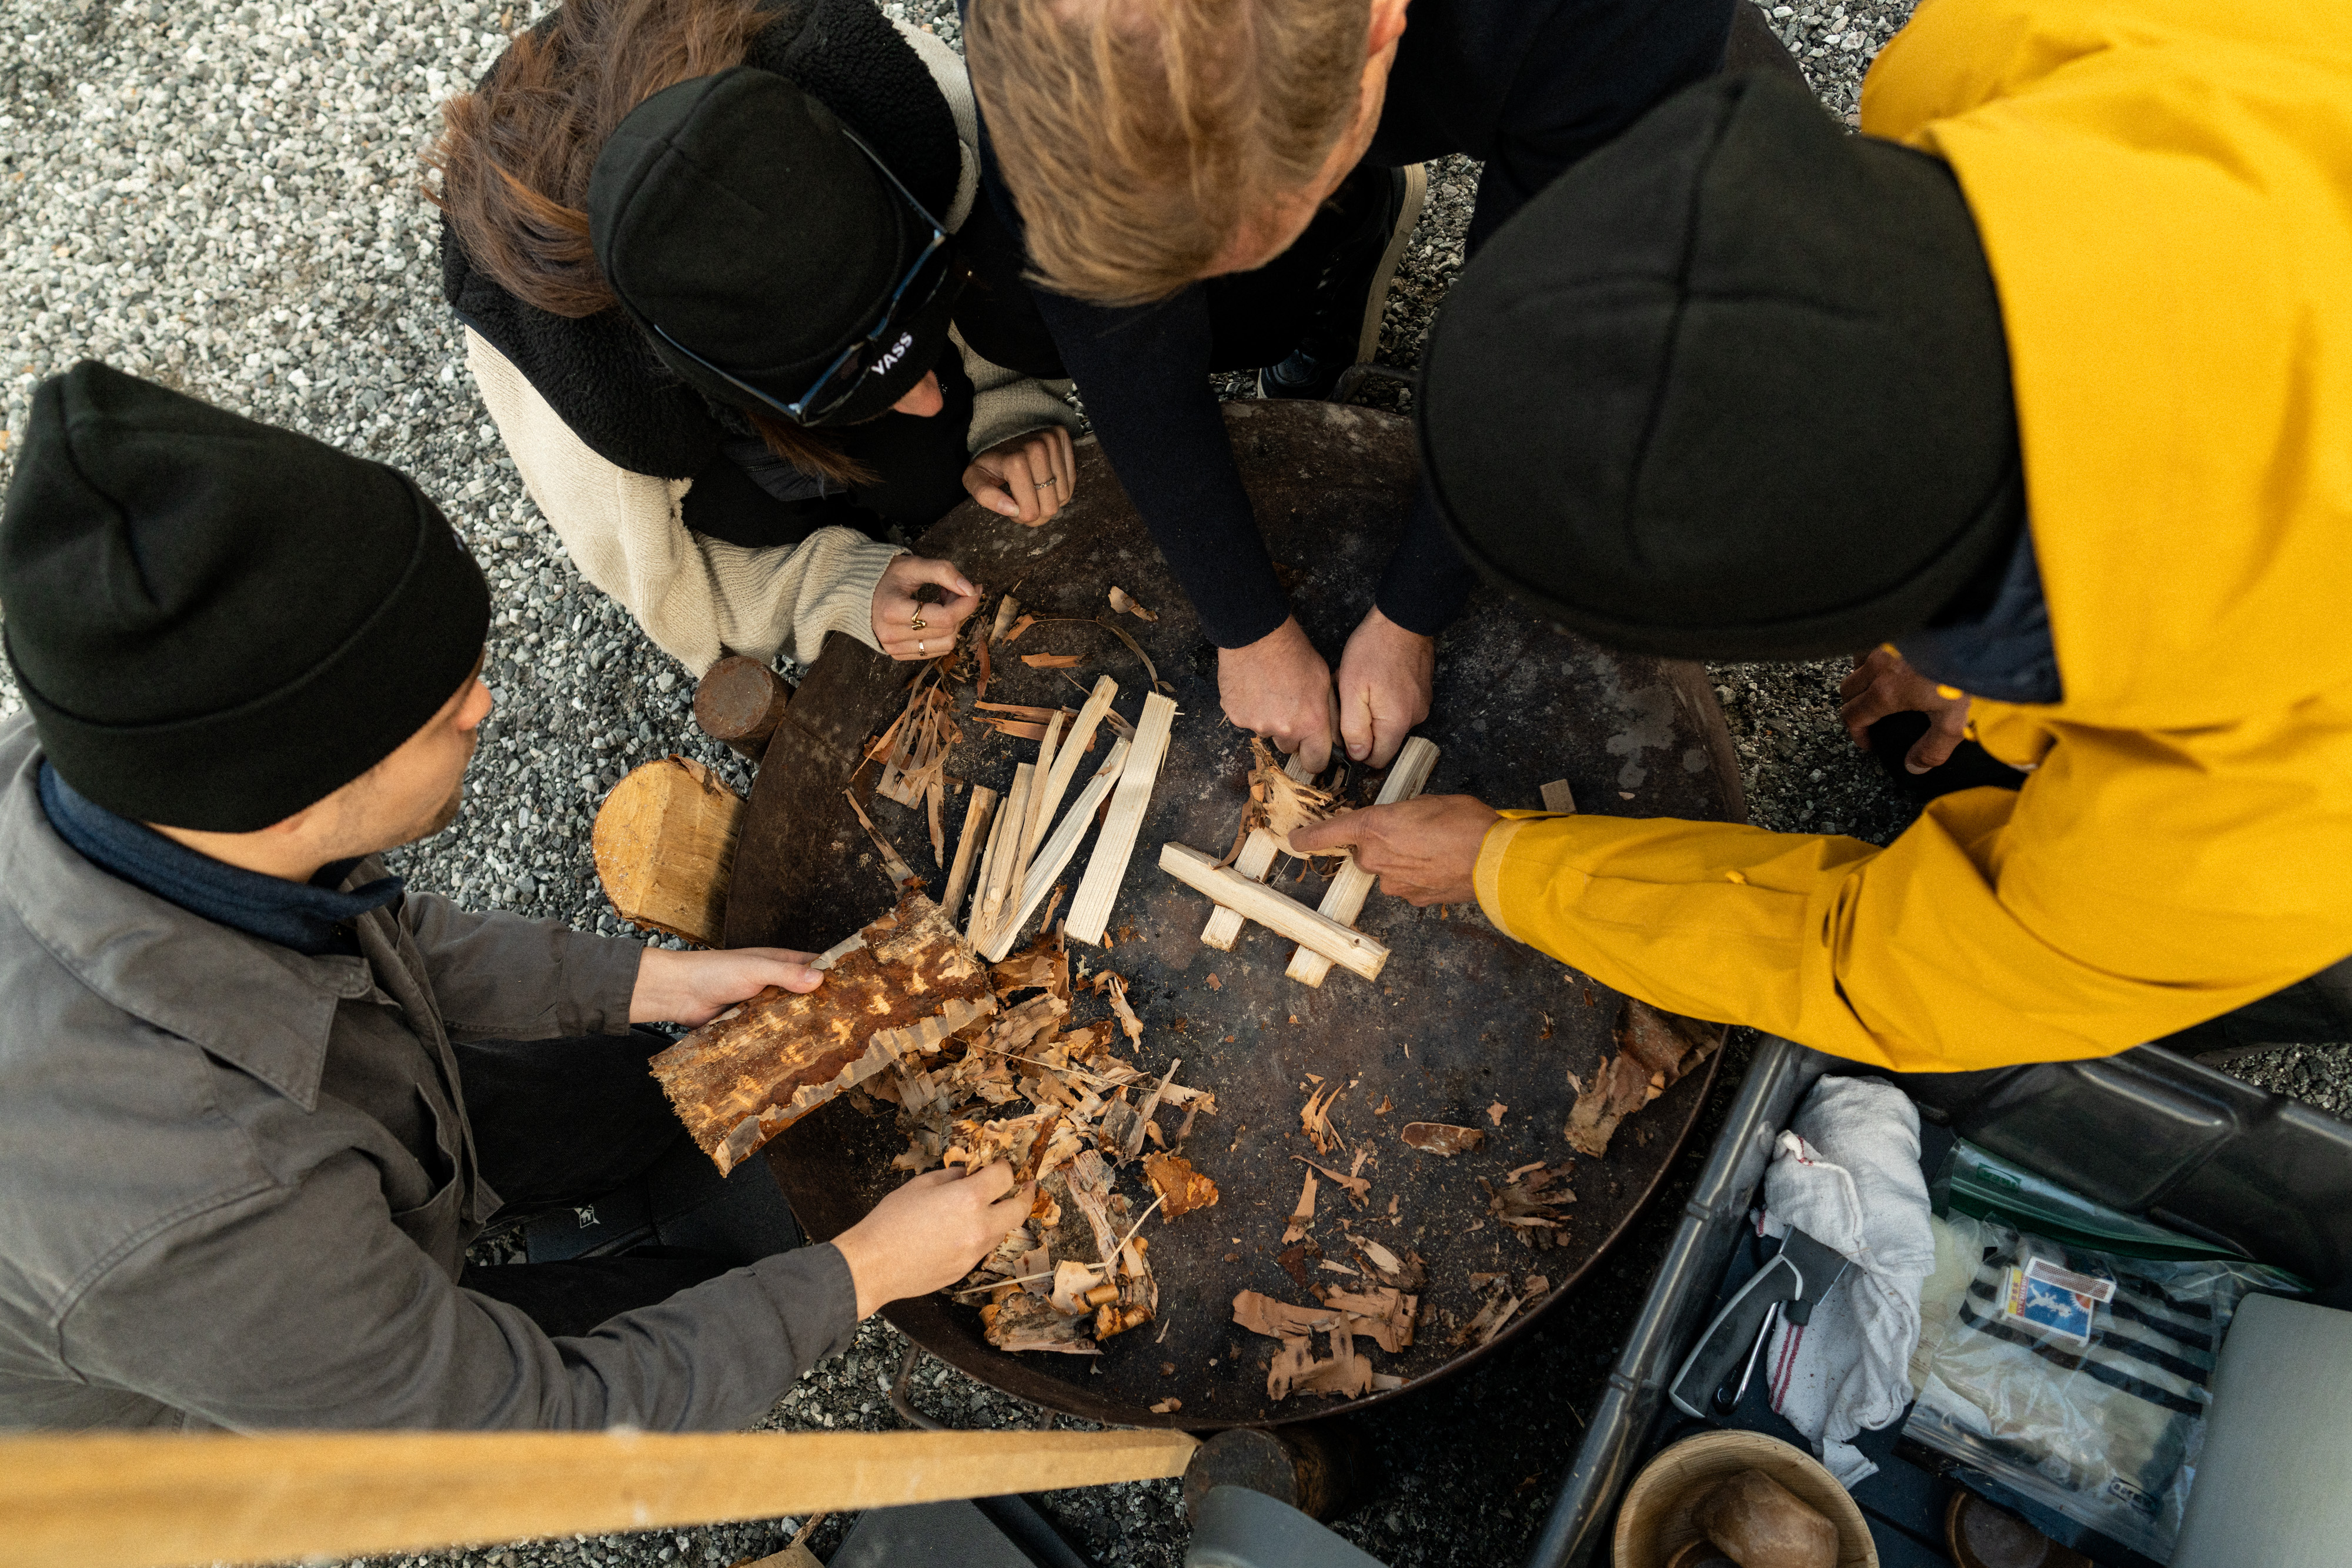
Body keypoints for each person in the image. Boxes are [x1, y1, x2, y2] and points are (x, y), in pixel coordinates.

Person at [1294, 0, 2352, 1074]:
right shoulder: (2007, 53)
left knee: (2193, 979)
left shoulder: (2259, 824)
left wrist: (1509, 867)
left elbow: (1904, 970)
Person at [0, 363, 1033, 1429]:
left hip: (323, 1126)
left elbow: (355, 927)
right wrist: (860, 1271)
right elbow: (525, 1428)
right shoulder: (206, 1208)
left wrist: (646, 980)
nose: (487, 703)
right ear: (305, 784)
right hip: (247, 1359)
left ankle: (493, 1176)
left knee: (619, 1087)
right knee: (643, 1319)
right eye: (449, 703)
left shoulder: (130, 762)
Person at [958, 0, 1757, 770]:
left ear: (1380, 25)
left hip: (1570, 48)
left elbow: (1545, 332)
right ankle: (1318, 241)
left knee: (1690, 293)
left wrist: (1416, 608)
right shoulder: (1043, 28)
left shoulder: (1625, 20)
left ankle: (1343, 215)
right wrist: (1246, 623)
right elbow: (1115, 340)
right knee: (1045, 302)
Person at [432, 0, 1084, 678]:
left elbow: (1004, 255)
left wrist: (1005, 408)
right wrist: (837, 587)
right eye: (850, 373)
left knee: (925, 463)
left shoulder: (884, 101)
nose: (928, 398)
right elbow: (667, 588)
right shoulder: (585, 379)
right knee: (767, 511)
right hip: (678, 408)